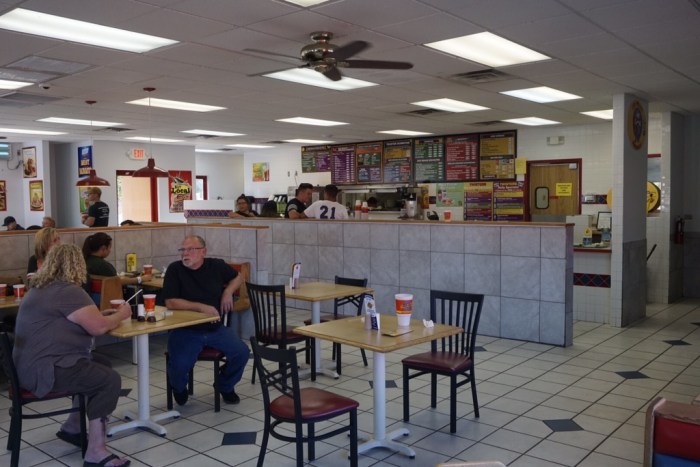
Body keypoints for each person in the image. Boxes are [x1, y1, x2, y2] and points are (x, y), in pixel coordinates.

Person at [12, 244, 132, 467]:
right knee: (108, 380)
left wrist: (100, 315)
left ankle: (73, 426)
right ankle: (96, 452)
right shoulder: (67, 290)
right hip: (45, 370)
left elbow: (73, 317)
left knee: (101, 363)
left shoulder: (41, 287)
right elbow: (98, 328)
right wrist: (122, 314)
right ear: (77, 265)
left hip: (28, 367)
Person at [160, 235, 250, 406]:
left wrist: (228, 292)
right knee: (179, 365)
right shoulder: (175, 269)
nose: (185, 253)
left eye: (190, 249)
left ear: (203, 252)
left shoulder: (216, 266)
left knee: (242, 352)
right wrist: (200, 307)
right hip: (185, 329)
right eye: (183, 250)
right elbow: (170, 302)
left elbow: (239, 277)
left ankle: (224, 385)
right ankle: (179, 388)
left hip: (215, 328)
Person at [82, 232, 151, 286]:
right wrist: (140, 279)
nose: (110, 250)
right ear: (103, 248)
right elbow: (118, 282)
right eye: (109, 247)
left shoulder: (85, 261)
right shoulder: (103, 266)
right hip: (110, 297)